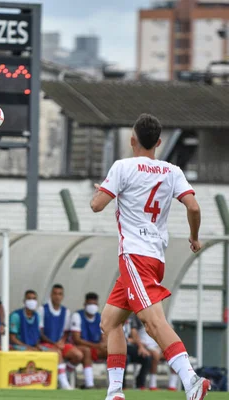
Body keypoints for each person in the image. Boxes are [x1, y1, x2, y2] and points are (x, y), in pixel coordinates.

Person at [91, 113, 210, 400]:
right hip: (155, 256)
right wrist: (194, 237)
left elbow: (97, 206)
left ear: (132, 140)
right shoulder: (172, 171)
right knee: (110, 321)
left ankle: (191, 380)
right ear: (158, 142)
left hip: (135, 255)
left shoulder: (123, 167)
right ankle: (115, 391)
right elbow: (193, 207)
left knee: (152, 321)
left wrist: (103, 192)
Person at [10, 290, 73, 390]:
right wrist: (28, 347)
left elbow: (37, 335)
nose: (32, 301)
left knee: (57, 353)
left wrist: (38, 345)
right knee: (30, 351)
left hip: (33, 346)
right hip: (18, 345)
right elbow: (12, 338)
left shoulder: (36, 316)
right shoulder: (16, 316)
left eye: (34, 298)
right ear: (24, 301)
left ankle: (63, 383)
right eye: (29, 298)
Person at [38, 284, 84, 388]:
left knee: (78, 355)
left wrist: (62, 342)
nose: (57, 296)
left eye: (60, 294)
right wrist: (54, 344)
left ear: (62, 296)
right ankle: (64, 384)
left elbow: (66, 331)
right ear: (51, 295)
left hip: (59, 343)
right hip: (45, 343)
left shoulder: (66, 311)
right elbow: (40, 332)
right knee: (57, 353)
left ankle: (64, 373)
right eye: (55, 294)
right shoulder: (42, 310)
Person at [71, 292, 107, 389]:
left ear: (97, 305)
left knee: (114, 351)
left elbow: (103, 337)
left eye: (94, 304)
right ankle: (89, 384)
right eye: (90, 304)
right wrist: (97, 346)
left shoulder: (100, 317)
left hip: (96, 348)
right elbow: (77, 339)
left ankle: (117, 383)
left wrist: (104, 345)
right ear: (85, 304)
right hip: (80, 347)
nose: (92, 307)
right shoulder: (77, 316)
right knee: (86, 351)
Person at [124, 313, 152, 390]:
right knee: (124, 358)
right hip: (117, 346)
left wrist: (141, 347)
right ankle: (122, 385)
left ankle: (140, 384)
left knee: (146, 357)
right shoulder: (114, 316)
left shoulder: (130, 317)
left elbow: (134, 333)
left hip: (129, 346)